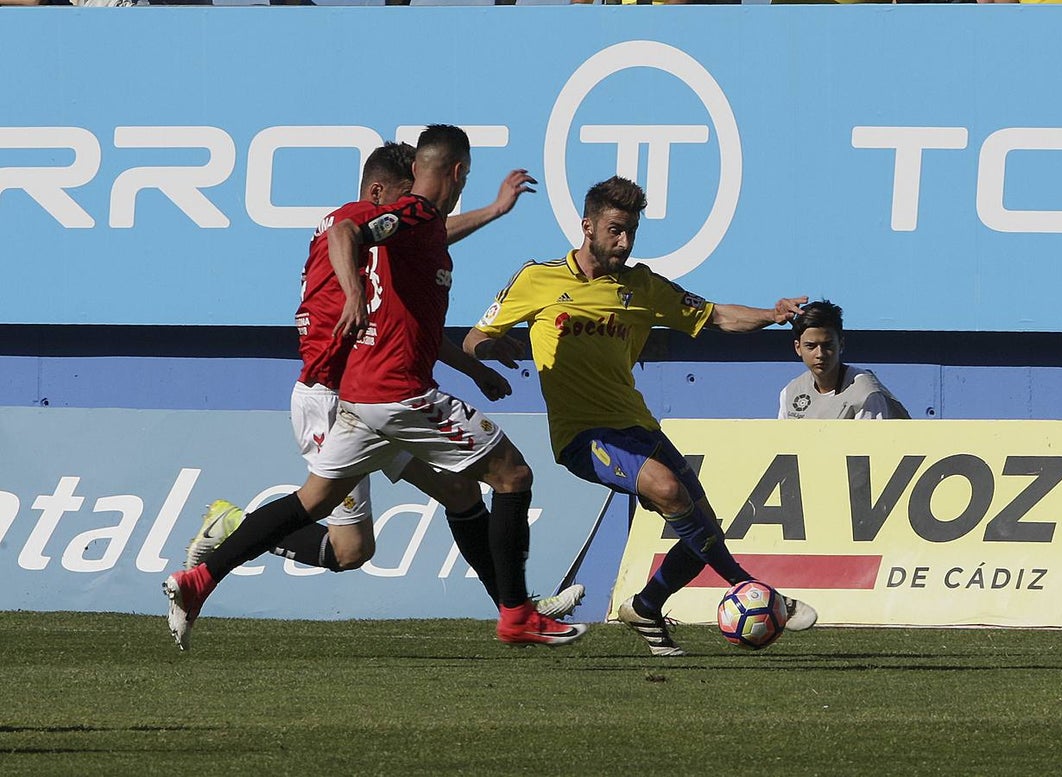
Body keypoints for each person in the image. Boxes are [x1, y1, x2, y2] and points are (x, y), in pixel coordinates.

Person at [164, 125, 587, 650]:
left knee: (377, 500)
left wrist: (496, 214)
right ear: (456, 174)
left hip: (360, 395)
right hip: (364, 391)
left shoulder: (417, 229)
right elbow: (352, 229)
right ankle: (517, 611)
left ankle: (200, 579)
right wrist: (353, 294)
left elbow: (425, 243)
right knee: (510, 475)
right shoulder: (390, 216)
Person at [463, 175, 818, 657]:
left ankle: (646, 607)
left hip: (638, 425)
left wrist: (772, 314)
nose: (624, 242)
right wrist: (490, 347)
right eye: (614, 229)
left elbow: (714, 315)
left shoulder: (642, 286)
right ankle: (755, 588)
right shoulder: (537, 279)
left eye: (631, 231)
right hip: (582, 435)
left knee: (702, 529)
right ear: (587, 225)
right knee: (669, 491)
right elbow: (474, 338)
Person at [779, 300, 910, 420]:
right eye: (811, 346)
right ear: (798, 348)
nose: (820, 354)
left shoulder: (866, 393)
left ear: (841, 344)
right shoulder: (790, 392)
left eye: (827, 345)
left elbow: (871, 444)